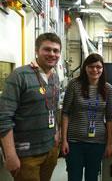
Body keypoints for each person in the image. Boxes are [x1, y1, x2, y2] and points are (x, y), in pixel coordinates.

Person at [0, 32, 61, 181]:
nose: (52, 54)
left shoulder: (54, 76)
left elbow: (52, 108)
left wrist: (56, 132)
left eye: (56, 50)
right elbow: (3, 117)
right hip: (27, 154)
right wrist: (10, 154)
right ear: (36, 51)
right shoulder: (19, 76)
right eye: (47, 49)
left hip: (50, 149)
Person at [61, 53, 112, 181]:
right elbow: (65, 113)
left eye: (98, 67)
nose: (95, 70)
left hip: (97, 142)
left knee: (92, 177)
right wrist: (64, 140)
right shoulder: (74, 85)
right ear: (85, 67)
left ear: (102, 69)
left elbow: (110, 118)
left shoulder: (107, 89)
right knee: (74, 177)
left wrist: (109, 143)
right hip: (74, 142)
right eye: (91, 66)